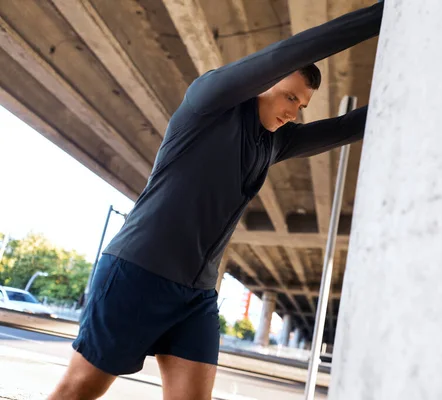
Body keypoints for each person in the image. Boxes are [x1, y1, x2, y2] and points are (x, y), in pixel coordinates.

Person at [49, 2, 383, 399]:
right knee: (80, 390)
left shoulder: (273, 144)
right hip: (139, 273)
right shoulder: (210, 101)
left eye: (302, 106)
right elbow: (292, 51)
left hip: (197, 294)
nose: (295, 113)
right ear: (264, 82)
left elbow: (347, 127)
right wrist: (387, 13)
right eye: (290, 97)